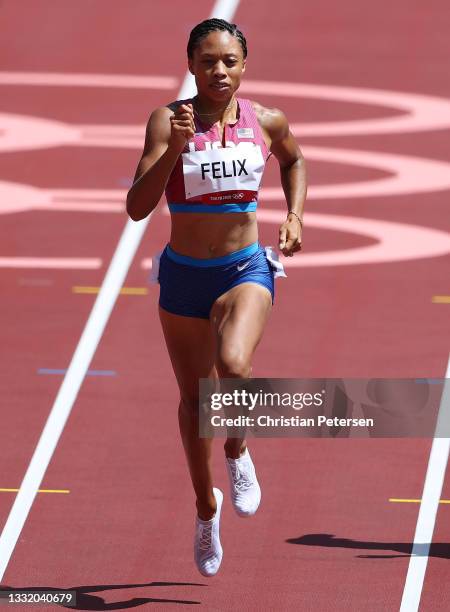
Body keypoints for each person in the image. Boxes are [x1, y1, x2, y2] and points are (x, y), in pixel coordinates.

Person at [126, 18, 307, 577]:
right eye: (207, 61)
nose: (219, 71)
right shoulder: (167, 120)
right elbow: (137, 206)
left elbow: (294, 161)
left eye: (229, 60)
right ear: (191, 66)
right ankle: (206, 505)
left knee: (233, 365)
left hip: (243, 268)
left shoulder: (267, 121)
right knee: (193, 401)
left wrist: (295, 214)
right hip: (184, 275)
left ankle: (238, 449)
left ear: (244, 65)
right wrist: (175, 147)